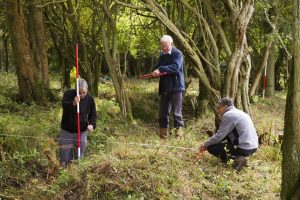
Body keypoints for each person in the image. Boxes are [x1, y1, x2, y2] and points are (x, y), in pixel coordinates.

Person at [198, 97, 258, 171]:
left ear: (225, 107)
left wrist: (205, 144)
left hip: (244, 147)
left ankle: (237, 159)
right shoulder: (240, 112)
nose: (218, 110)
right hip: (253, 146)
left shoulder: (229, 115)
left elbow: (219, 136)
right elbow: (226, 136)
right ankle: (237, 158)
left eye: (219, 107)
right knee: (219, 144)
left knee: (211, 147)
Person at [152, 35, 185, 139]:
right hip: (164, 88)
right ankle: (163, 138)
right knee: (163, 113)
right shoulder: (162, 55)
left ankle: (178, 137)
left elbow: (175, 67)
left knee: (177, 114)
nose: (164, 48)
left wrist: (160, 69)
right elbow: (158, 66)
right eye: (162, 46)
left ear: (171, 43)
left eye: (166, 46)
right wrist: (155, 71)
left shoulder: (178, 54)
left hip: (176, 87)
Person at [59, 79, 97, 167]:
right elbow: (64, 105)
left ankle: (76, 170)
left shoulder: (90, 99)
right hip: (67, 131)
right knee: (64, 153)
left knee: (79, 153)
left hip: (81, 131)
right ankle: (64, 170)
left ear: (87, 90)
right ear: (75, 90)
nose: (82, 95)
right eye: (79, 92)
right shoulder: (68, 94)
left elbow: (93, 113)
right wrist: (73, 103)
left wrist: (92, 124)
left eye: (84, 92)